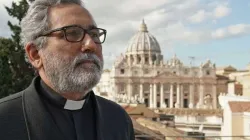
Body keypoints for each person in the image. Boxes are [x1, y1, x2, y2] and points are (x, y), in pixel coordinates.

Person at [0, 0, 135, 140]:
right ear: (35, 54)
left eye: (95, 35)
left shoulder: (119, 119)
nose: (91, 45)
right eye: (72, 33)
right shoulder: (4, 121)